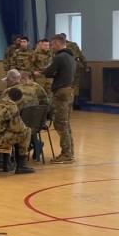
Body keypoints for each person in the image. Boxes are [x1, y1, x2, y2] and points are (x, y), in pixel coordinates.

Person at [0, 87, 33, 174]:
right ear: (19, 99)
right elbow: (18, 128)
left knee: (2, 132)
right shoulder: (12, 106)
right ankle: (21, 165)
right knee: (27, 131)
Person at [43, 35, 77, 163]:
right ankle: (70, 152)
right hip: (69, 91)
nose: (51, 47)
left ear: (57, 43)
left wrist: (43, 72)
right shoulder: (71, 57)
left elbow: (48, 72)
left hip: (61, 92)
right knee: (66, 123)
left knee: (60, 123)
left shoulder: (59, 57)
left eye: (52, 44)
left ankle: (66, 154)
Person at [57, 33, 88, 109]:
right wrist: (85, 66)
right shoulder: (73, 44)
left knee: (67, 84)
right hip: (76, 65)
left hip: (66, 66)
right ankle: (75, 102)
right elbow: (81, 56)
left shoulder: (58, 45)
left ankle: (68, 102)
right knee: (75, 84)